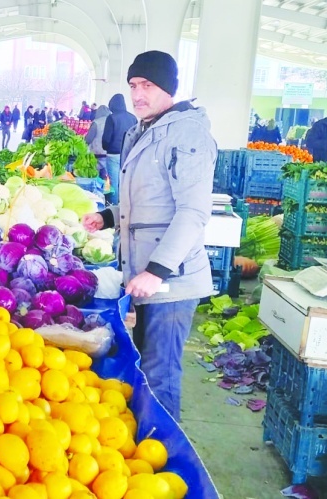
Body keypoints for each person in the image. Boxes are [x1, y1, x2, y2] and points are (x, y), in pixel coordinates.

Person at [81, 50, 217, 421]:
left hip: (171, 282)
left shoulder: (187, 134)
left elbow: (191, 212)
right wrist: (107, 217)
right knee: (143, 368)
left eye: (148, 85)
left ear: (168, 88)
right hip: (141, 276)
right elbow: (151, 198)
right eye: (133, 86)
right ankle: (144, 442)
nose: (138, 94)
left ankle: (163, 458)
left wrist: (157, 271)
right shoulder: (140, 130)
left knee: (160, 373)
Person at [102, 93, 138, 205]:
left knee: (114, 182)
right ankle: (125, 206)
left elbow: (106, 138)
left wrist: (106, 148)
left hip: (113, 154)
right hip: (129, 154)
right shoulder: (133, 118)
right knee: (125, 181)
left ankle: (114, 208)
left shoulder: (111, 118)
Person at [85, 103, 111, 180]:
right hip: (108, 153)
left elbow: (88, 139)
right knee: (106, 176)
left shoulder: (96, 122)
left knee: (95, 175)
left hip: (97, 152)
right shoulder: (111, 121)